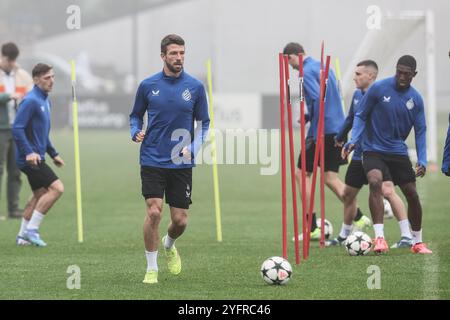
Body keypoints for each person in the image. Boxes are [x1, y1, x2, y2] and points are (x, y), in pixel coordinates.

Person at [129, 34, 210, 284]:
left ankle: (169, 243)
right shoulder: (147, 85)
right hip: (152, 158)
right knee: (154, 212)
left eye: (182, 53)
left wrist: (194, 147)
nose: (179, 58)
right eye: (174, 53)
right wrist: (135, 131)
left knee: (180, 221)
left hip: (180, 161)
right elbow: (135, 116)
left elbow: (204, 123)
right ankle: (151, 268)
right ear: (163, 56)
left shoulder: (195, 87)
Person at [343, 55, 432, 254]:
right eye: (398, 71)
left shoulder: (416, 99)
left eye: (406, 73)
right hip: (373, 148)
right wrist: (353, 139)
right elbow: (360, 115)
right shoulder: (378, 88)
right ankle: (380, 238)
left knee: (412, 194)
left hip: (398, 151)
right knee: (375, 181)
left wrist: (423, 159)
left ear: (413, 75)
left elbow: (420, 131)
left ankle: (417, 242)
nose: (401, 76)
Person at [283, 42, 371, 242]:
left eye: (289, 61)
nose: (291, 67)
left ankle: (312, 226)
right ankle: (359, 216)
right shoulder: (324, 66)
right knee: (329, 177)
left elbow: (316, 98)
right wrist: (308, 115)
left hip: (321, 131)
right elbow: (332, 96)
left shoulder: (305, 72)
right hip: (337, 128)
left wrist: (311, 123)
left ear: (294, 56)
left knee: (301, 174)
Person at [327, 60, 413, 248]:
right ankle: (344, 235)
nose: (354, 77)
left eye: (358, 74)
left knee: (388, 191)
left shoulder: (384, 96)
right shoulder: (358, 96)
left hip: (379, 154)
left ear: (371, 76)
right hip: (359, 155)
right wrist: (340, 137)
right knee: (348, 194)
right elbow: (351, 118)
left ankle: (407, 236)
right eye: (355, 73)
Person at [12, 63, 65, 246]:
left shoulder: (45, 100)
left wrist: (53, 153)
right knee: (57, 189)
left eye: (52, 77)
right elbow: (17, 129)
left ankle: (21, 236)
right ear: (35, 80)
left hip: (38, 156)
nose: (51, 81)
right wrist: (29, 152)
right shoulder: (31, 100)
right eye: (46, 78)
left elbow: (42, 133)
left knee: (39, 194)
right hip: (29, 159)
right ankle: (31, 230)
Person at [0, 42, 33, 219]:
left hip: (18, 128)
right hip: (1, 129)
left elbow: (31, 95)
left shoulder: (22, 75)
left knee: (15, 170)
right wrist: (7, 96)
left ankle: (13, 209)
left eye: (13, 60)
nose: (11, 63)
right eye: (8, 59)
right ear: (2, 56)